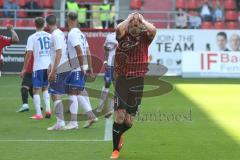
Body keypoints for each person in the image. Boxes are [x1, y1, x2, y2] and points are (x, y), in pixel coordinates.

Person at [110, 12, 156, 159]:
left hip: (137, 81)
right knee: (120, 116)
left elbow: (154, 30)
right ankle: (115, 150)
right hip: (122, 79)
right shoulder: (123, 35)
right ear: (129, 23)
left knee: (129, 122)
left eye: (138, 21)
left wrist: (142, 18)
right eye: (133, 21)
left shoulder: (145, 38)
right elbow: (118, 29)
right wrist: (129, 18)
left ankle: (120, 133)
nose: (135, 22)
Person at [63, 12, 97, 130]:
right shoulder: (81, 34)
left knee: (73, 92)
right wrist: (90, 67)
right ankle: (91, 116)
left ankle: (74, 123)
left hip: (77, 66)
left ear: (68, 20)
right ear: (77, 20)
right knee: (80, 91)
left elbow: (79, 50)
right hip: (82, 65)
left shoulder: (72, 33)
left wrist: (81, 66)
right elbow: (87, 51)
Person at [45, 15, 69, 130]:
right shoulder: (59, 33)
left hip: (60, 67)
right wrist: (50, 66)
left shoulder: (55, 35)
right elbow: (55, 53)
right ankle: (61, 121)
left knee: (55, 94)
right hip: (61, 66)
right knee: (55, 93)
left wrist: (53, 71)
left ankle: (60, 122)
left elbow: (59, 53)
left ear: (47, 24)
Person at [25, 17, 51, 120]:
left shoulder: (32, 37)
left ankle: (39, 114)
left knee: (36, 90)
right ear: (44, 25)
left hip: (39, 66)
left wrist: (24, 68)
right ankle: (48, 110)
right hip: (49, 66)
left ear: (34, 25)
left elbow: (29, 54)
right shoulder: (50, 36)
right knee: (45, 88)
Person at [96, 19, 124, 117]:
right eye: (119, 25)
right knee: (107, 83)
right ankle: (100, 106)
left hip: (121, 65)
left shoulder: (128, 37)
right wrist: (105, 61)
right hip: (111, 64)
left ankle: (114, 108)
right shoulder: (110, 37)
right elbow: (106, 50)